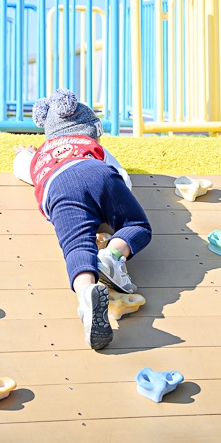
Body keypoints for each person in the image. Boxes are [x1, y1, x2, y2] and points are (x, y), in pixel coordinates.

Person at [13, 88, 151, 350]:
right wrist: (115, 203)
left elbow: (20, 166)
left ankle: (87, 295)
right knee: (137, 226)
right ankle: (112, 256)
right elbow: (121, 175)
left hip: (58, 187)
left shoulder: (39, 157)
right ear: (88, 128)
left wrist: (24, 154)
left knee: (76, 247)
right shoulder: (90, 145)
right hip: (96, 172)